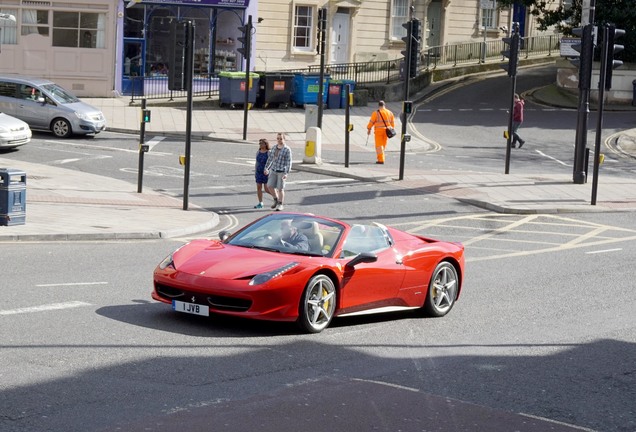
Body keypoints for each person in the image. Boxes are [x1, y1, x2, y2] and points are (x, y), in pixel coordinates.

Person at [264, 132, 292, 211]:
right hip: (273, 170)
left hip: (282, 171)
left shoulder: (287, 149)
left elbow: (289, 162)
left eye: (281, 139)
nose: (279, 140)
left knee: (280, 188)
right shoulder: (274, 148)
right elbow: (270, 159)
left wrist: (286, 173)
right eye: (278, 138)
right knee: (269, 186)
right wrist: (266, 168)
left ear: (284, 139)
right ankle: (275, 199)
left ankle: (280, 204)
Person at [366, 100, 395, 164]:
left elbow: (371, 122)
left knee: (379, 145)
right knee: (383, 145)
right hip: (387, 131)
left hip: (379, 131)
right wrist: (391, 129)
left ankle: (381, 159)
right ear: (384, 105)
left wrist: (369, 129)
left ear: (379, 106)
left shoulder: (376, 113)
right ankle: (382, 156)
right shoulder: (390, 113)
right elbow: (392, 124)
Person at [254, 138, 271, 209]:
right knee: (258, 187)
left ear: (265, 144)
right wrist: (255, 171)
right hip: (259, 172)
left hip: (266, 173)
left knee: (267, 189)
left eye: (261, 143)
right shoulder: (258, 151)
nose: (260, 145)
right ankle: (260, 203)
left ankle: (276, 197)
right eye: (259, 143)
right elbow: (256, 162)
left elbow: (271, 162)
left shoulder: (269, 152)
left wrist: (268, 171)